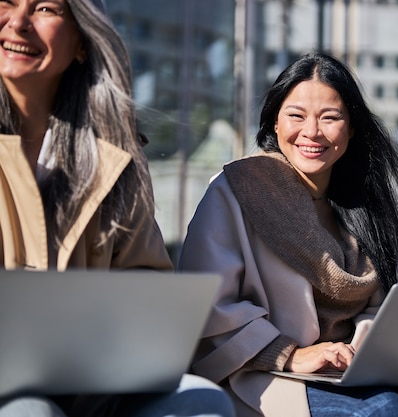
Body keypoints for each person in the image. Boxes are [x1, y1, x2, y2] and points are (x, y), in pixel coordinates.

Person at [179, 52, 398, 417]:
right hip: (261, 372)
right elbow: (206, 304)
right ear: (273, 121)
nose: (312, 132)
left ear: (351, 127)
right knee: (383, 410)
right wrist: (291, 354)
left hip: (355, 372)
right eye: (296, 115)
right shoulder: (235, 190)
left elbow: (396, 305)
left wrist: (357, 351)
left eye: (330, 117)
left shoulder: (371, 204)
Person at [0, 0, 234, 416]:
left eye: (45, 9)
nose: (18, 22)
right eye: (7, 3)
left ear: (81, 44)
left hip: (89, 382)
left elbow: (147, 285)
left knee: (203, 402)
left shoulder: (111, 159)